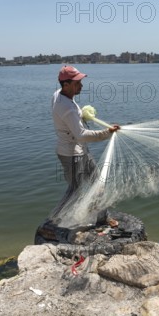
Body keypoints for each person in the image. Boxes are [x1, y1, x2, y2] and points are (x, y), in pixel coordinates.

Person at [50, 65, 120, 222]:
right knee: (75, 191)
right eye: (76, 82)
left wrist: (82, 114)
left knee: (98, 182)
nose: (81, 85)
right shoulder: (67, 108)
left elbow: (71, 120)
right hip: (71, 154)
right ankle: (54, 221)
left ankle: (102, 218)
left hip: (80, 151)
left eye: (80, 81)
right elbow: (81, 135)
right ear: (66, 84)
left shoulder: (59, 95)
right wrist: (107, 133)